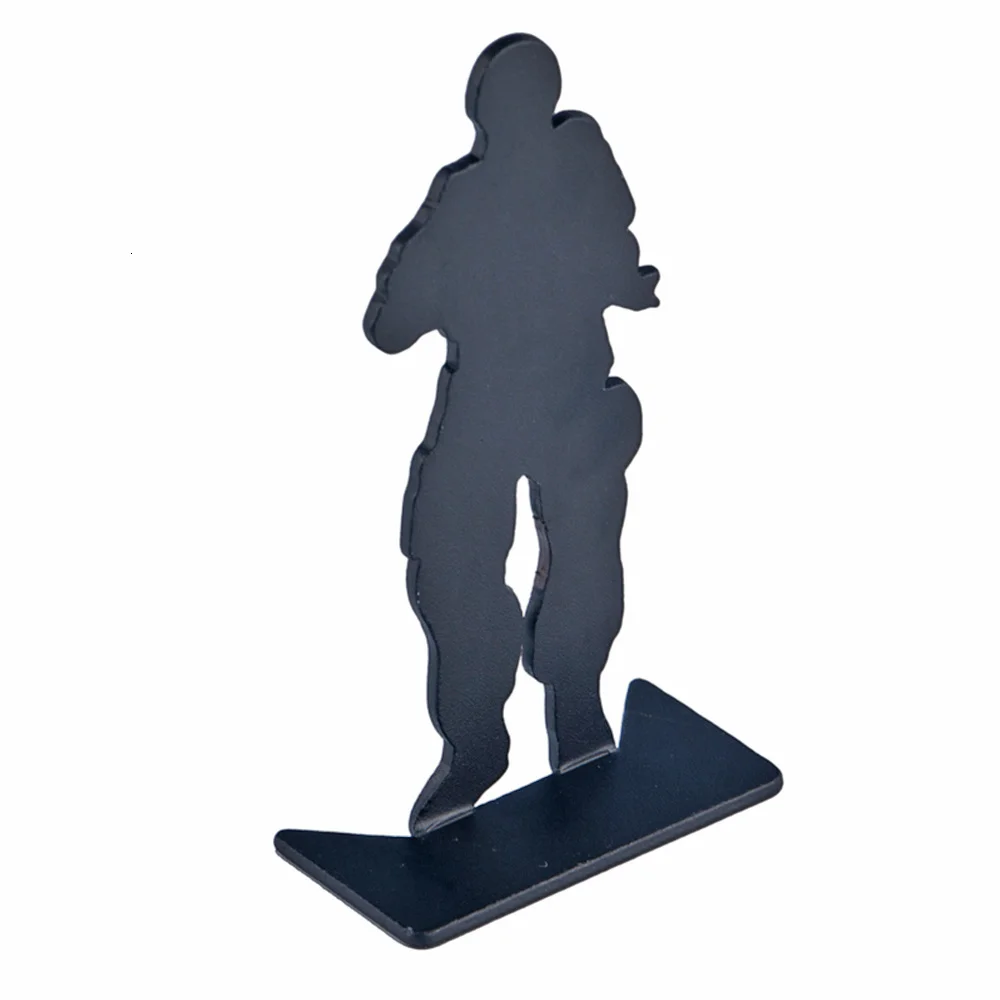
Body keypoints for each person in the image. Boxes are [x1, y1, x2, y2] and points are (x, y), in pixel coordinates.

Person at [364, 33, 659, 835]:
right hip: (528, 408)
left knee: (530, 559)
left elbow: (391, 324)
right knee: (471, 562)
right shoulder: (517, 185)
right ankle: (507, 738)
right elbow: (391, 327)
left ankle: (549, 725)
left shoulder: (496, 189)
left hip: (544, 406)